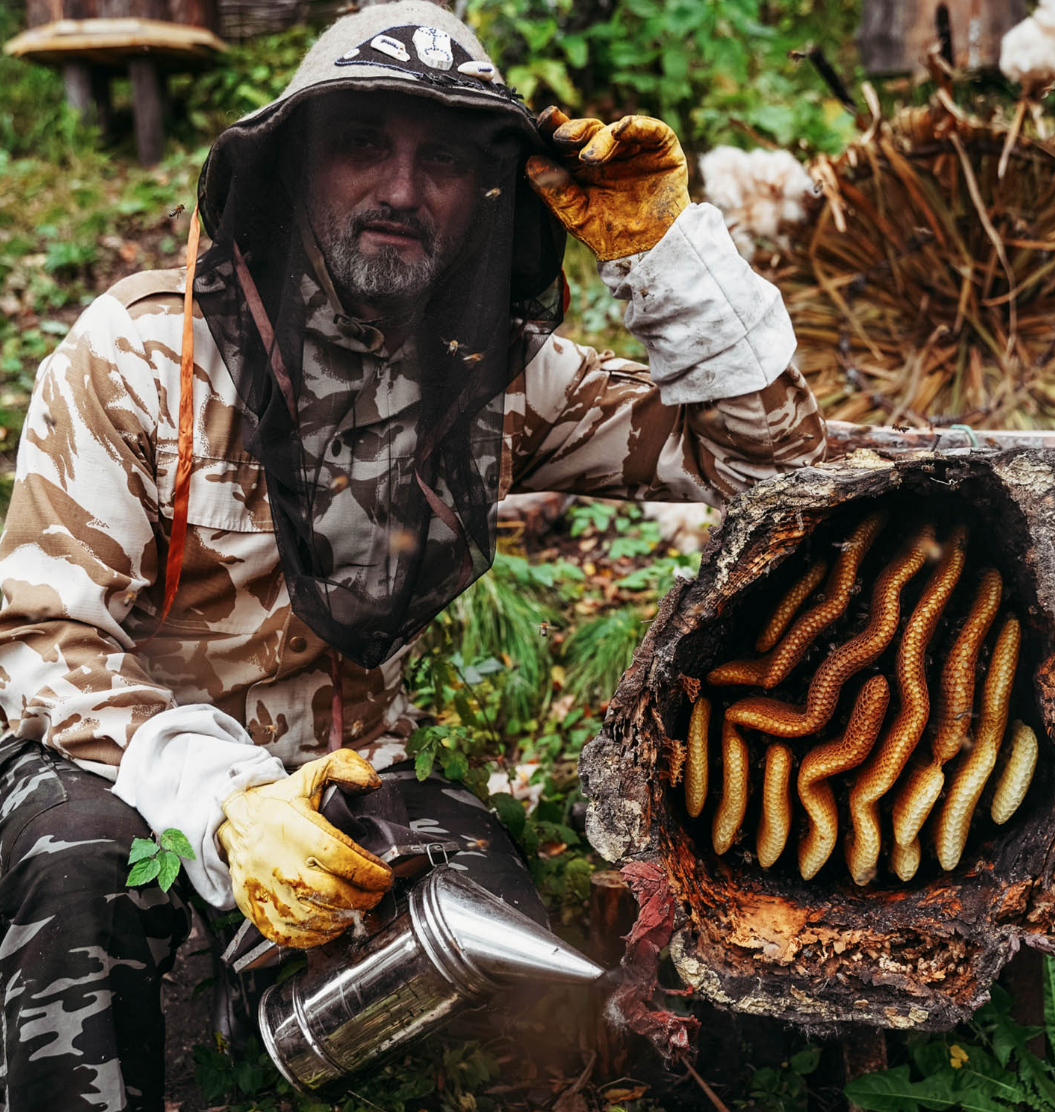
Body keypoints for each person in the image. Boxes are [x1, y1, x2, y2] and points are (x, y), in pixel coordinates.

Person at [0, 1, 825, 1107]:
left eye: (440, 157)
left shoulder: (493, 372)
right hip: (124, 773)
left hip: (347, 794)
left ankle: (268, 1021)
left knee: (498, 926)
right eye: (362, 145)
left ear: (484, 194)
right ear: (294, 166)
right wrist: (227, 801)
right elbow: (39, 632)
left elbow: (773, 472)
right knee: (73, 856)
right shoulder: (144, 353)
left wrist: (669, 254)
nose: (400, 186)